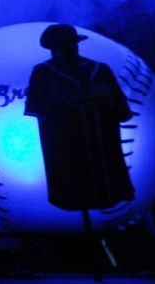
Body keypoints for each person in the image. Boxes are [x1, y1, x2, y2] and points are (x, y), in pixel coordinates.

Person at [25, 24, 134, 211]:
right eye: (61, 45)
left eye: (70, 44)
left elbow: (122, 112)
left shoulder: (101, 70)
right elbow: (38, 110)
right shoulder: (43, 73)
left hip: (105, 151)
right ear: (53, 48)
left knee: (107, 180)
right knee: (75, 182)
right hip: (69, 153)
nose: (67, 49)